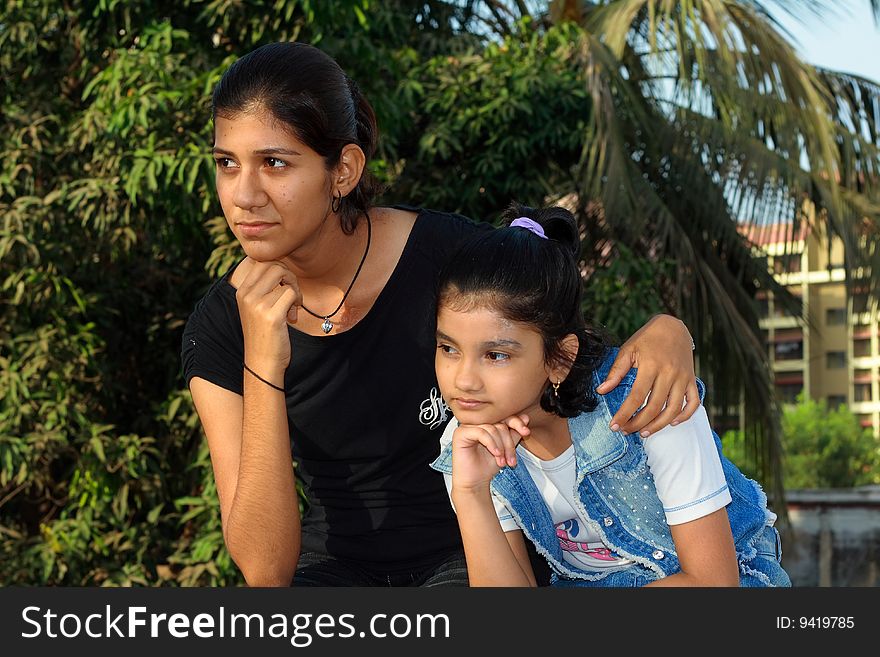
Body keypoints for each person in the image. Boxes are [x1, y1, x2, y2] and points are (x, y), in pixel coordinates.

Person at [181, 41, 701, 587]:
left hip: (476, 551)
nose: (243, 194)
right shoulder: (220, 327)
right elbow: (265, 571)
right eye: (226, 164)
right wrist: (263, 356)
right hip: (330, 568)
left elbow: (558, 345)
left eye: (274, 163)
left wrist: (671, 331)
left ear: (344, 170)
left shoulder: (445, 258)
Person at [430, 203, 790, 587]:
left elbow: (713, 583)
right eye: (448, 349)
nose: (463, 380)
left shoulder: (648, 400)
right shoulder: (467, 443)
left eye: (496, 355)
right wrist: (471, 493)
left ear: (560, 359)